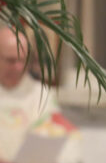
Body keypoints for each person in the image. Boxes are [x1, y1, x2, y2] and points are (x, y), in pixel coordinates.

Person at [0, 27, 81, 163]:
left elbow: (54, 133)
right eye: (11, 60)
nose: (18, 67)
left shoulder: (40, 94)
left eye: (23, 60)